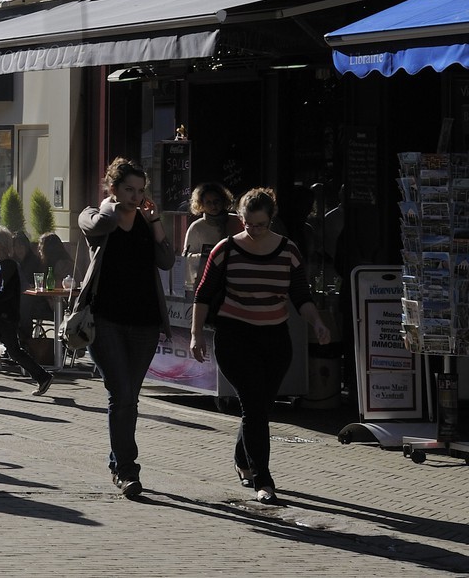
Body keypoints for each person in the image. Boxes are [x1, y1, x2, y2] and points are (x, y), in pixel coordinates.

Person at [190, 188, 330, 504]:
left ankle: (243, 459)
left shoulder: (288, 251)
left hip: (274, 340)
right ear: (241, 219)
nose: (254, 231)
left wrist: (317, 323)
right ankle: (262, 480)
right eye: (248, 224)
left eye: (261, 225)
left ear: (271, 220)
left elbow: (301, 297)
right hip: (235, 338)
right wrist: (196, 334)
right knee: (253, 406)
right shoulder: (225, 250)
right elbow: (203, 294)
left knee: (260, 407)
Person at [79, 157, 175, 500]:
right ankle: (127, 470)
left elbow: (167, 260)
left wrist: (157, 220)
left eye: (140, 190)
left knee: (128, 398)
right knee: (120, 393)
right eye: (128, 190)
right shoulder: (95, 216)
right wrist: (113, 205)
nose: (135, 197)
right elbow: (95, 224)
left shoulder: (148, 222)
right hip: (105, 321)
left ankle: (118, 459)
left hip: (145, 322)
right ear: (113, 188)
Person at [0, 228, 53, 398]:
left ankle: (41, 376)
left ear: (0, 246)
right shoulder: (2, 265)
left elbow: (6, 292)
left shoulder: (8, 266)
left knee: (9, 350)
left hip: (4, 316)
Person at [184, 181, 240, 294]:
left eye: (216, 201)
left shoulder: (237, 221)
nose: (213, 206)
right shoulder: (197, 227)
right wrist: (208, 255)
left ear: (223, 200)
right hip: (208, 281)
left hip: (235, 279)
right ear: (201, 204)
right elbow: (186, 258)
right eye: (208, 202)